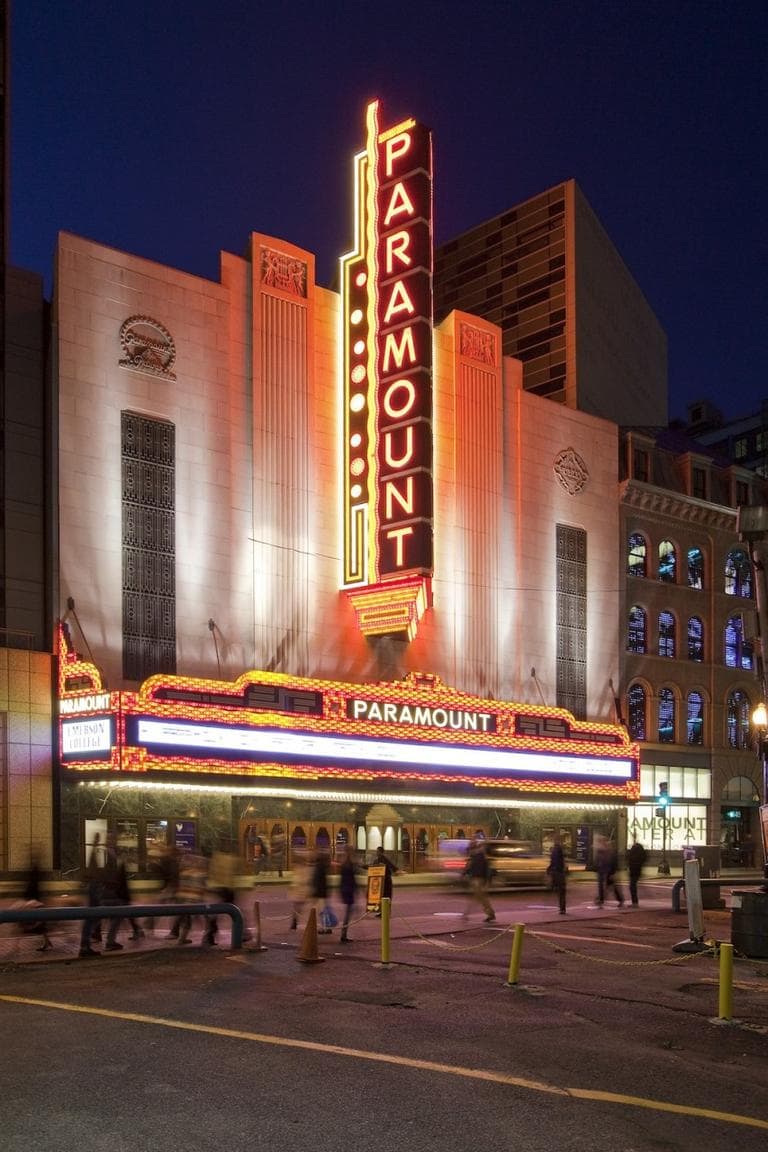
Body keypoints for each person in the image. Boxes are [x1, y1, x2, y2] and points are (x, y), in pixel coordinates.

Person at [79, 832, 105, 957]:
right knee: (92, 916)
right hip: (94, 887)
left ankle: (88, 941)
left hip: (94, 886)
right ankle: (85, 945)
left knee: (93, 916)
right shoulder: (95, 852)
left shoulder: (95, 851)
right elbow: (93, 870)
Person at [463, 838, 496, 922]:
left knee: (481, 898)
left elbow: (483, 869)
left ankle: (490, 914)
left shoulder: (479, 856)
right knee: (479, 897)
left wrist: (487, 881)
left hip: (478, 879)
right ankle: (467, 913)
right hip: (477, 879)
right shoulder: (477, 856)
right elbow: (470, 867)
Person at [595, 836, 624, 908]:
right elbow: (598, 861)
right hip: (602, 872)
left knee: (612, 886)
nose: (600, 844)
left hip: (608, 872)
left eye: (601, 842)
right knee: (604, 887)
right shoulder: (601, 851)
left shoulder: (610, 852)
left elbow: (613, 863)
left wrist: (612, 873)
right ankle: (601, 900)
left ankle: (620, 900)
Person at [339, 846, 358, 942]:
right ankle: (343, 934)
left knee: (349, 912)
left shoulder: (345, 863)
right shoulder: (348, 864)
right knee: (348, 913)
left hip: (346, 890)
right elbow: (351, 879)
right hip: (349, 891)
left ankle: (344, 933)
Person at [373, 845, 398, 916]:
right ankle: (382, 912)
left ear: (381, 852)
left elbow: (393, 867)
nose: (376, 853)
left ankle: (387, 913)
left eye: (378, 851)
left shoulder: (385, 860)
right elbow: (371, 867)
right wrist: (362, 866)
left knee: (387, 897)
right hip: (381, 881)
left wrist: (397, 871)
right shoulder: (376, 860)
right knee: (381, 897)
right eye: (376, 851)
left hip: (387, 882)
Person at [547, 834, 567, 915]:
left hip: (556, 872)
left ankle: (562, 908)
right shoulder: (559, 849)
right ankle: (562, 909)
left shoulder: (555, 850)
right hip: (559, 873)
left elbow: (553, 862)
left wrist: (549, 869)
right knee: (561, 891)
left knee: (559, 891)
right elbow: (561, 862)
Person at [627, 838, 647, 906]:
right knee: (632, 886)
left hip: (635, 870)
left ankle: (635, 902)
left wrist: (636, 864)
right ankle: (634, 902)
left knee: (632, 886)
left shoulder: (637, 848)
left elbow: (631, 858)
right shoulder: (637, 847)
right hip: (635, 869)